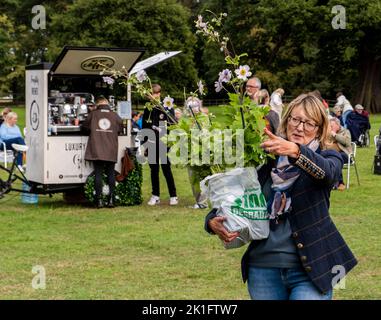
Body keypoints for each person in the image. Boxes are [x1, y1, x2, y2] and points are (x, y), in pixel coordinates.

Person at [205, 93, 357, 300]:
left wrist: (296, 152)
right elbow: (237, 194)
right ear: (287, 120)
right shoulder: (267, 159)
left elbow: (328, 174)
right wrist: (212, 221)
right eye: (295, 119)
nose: (300, 127)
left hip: (310, 269)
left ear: (320, 129)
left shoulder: (328, 156)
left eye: (309, 123)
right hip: (263, 267)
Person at [82, 97, 123, 208]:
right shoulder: (115, 115)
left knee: (98, 174)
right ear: (107, 104)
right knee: (111, 174)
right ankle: (111, 200)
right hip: (111, 149)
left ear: (97, 104)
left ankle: (99, 200)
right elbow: (120, 129)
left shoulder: (93, 114)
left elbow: (84, 127)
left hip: (97, 148)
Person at [142, 83, 178, 206]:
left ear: (160, 94)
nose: (155, 96)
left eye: (157, 93)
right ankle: (155, 195)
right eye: (153, 94)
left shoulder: (167, 106)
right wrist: (145, 144)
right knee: (154, 170)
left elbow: (173, 123)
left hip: (163, 141)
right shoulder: (148, 108)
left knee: (166, 169)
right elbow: (145, 127)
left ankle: (173, 195)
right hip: (151, 141)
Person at [328, 116, 352, 191]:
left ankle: (340, 182)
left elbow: (347, 142)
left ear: (337, 125)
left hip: (346, 154)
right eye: (329, 126)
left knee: (337, 157)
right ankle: (333, 183)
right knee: (333, 158)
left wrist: (335, 135)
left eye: (332, 126)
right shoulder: (328, 132)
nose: (330, 127)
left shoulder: (345, 131)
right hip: (333, 154)